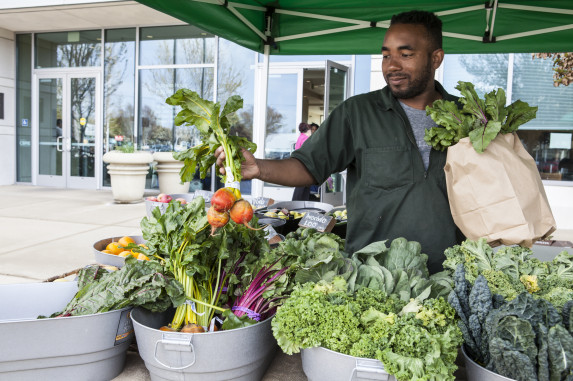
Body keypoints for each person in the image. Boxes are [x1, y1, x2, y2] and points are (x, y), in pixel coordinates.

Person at [216, 10, 461, 274]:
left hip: (451, 274)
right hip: (373, 276)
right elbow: (309, 166)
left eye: (406, 54)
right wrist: (258, 168)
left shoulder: (470, 119)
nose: (392, 65)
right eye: (386, 55)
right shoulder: (357, 113)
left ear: (436, 58)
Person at [292, 122, 313, 200]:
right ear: (308, 130)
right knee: (302, 187)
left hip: (299, 164)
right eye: (311, 130)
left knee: (303, 186)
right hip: (304, 165)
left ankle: (299, 204)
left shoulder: (300, 137)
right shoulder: (306, 139)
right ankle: (297, 204)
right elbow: (308, 152)